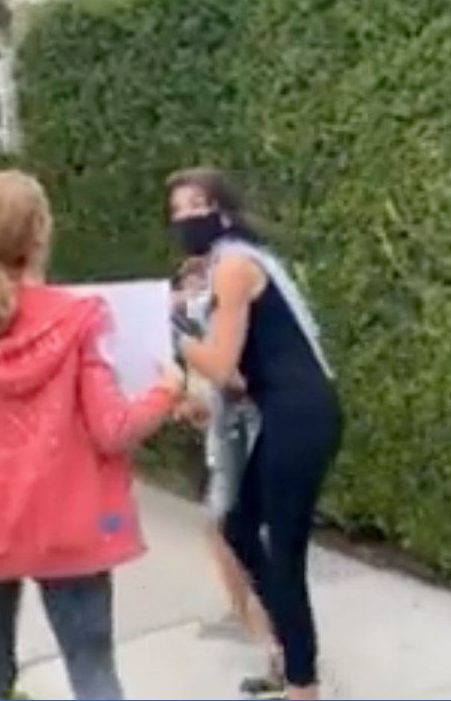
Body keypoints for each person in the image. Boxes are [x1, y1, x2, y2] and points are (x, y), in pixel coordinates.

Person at [0, 169, 185, 700]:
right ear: (39, 231)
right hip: (70, 525)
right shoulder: (79, 318)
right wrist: (165, 392)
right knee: (93, 673)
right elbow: (113, 430)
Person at [168, 167, 342, 700]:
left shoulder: (235, 267)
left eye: (195, 205)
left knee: (279, 548)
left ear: (223, 210)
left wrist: (174, 336)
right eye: (175, 211)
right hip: (294, 411)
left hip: (300, 415)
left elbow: (219, 365)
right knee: (239, 525)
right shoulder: (233, 263)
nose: (184, 219)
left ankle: (302, 683)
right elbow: (239, 376)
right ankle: (289, 658)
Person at [171, 256, 269, 645]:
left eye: (199, 283)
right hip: (226, 441)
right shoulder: (202, 334)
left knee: (230, 527)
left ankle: (257, 620)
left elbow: (234, 384)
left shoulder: (229, 330)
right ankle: (246, 613)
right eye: (184, 282)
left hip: (244, 441)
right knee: (224, 528)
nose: (190, 290)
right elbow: (205, 399)